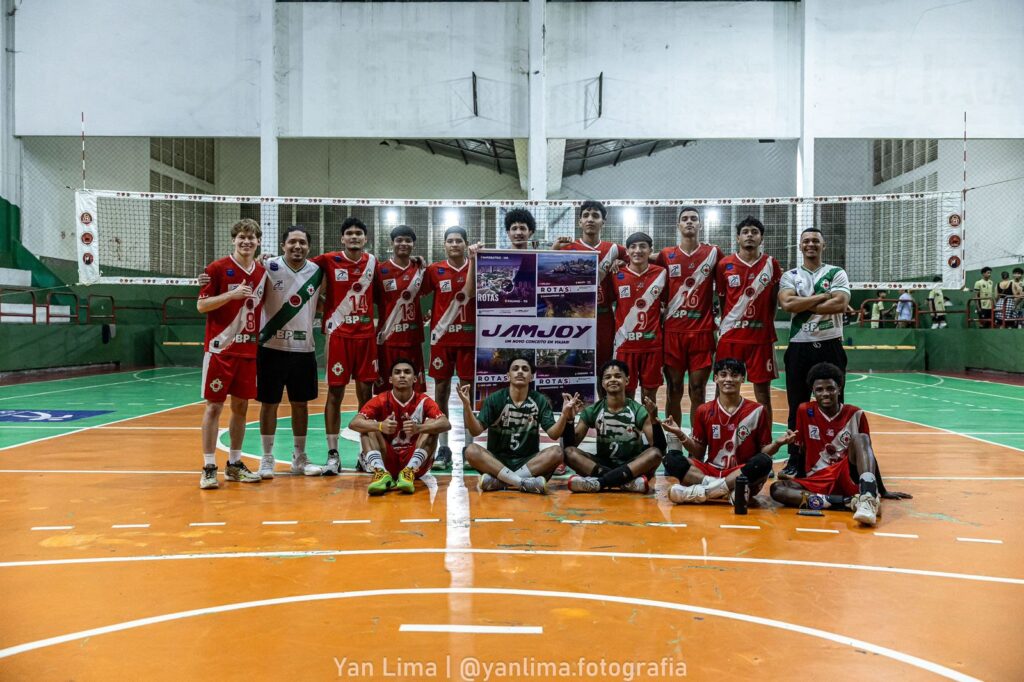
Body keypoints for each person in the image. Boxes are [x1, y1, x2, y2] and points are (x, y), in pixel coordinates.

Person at [769, 362, 912, 526]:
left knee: (861, 438)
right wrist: (800, 480)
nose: (825, 393)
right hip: (817, 479)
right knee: (777, 490)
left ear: (839, 388)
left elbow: (867, 453)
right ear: (813, 392)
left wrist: (881, 489)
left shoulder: (855, 414)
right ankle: (847, 502)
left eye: (830, 388)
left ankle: (868, 497)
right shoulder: (804, 410)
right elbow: (802, 450)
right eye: (819, 390)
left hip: (845, 474)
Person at [660, 358, 795, 505]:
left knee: (764, 462)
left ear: (742, 378)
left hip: (741, 471)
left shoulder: (757, 410)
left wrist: (778, 443)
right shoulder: (703, 410)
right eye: (723, 375)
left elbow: (764, 450)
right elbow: (698, 453)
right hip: (710, 470)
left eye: (734, 375)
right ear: (716, 378)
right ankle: (727, 491)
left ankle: (704, 492)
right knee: (671, 459)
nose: (728, 379)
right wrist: (680, 433)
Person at [196, 219, 268, 489]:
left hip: (248, 350)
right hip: (220, 349)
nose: (246, 241)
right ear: (234, 240)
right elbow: (202, 305)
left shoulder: (262, 272)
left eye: (251, 237)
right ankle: (209, 466)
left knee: (241, 407)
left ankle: (234, 464)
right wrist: (233, 295)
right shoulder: (216, 268)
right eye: (241, 237)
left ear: (258, 241)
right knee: (214, 406)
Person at [777, 226, 852, 479]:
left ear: (824, 245)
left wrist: (804, 304)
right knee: (796, 407)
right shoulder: (791, 275)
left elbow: (840, 304)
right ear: (800, 246)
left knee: (834, 404)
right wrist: (824, 297)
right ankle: (795, 459)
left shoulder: (836, 272)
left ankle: (837, 456)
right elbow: (787, 304)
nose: (811, 244)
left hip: (831, 343)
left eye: (815, 241)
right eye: (806, 241)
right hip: (799, 345)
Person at [254, 226, 325, 479]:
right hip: (270, 346)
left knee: (300, 404)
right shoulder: (268, 267)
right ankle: (267, 458)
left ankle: (299, 457)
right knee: (269, 404)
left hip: (303, 349)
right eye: (292, 242)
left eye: (302, 243)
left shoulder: (317, 271)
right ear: (283, 245)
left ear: (309, 247)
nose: (298, 247)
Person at [311, 217, 379, 475]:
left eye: (358, 233)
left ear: (365, 238)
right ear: (342, 238)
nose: (353, 237)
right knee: (335, 394)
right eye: (349, 233)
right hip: (338, 336)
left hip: (365, 338)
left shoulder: (373, 263)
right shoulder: (328, 260)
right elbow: (297, 270)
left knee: (366, 397)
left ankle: (365, 454)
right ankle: (333, 454)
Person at [458, 356, 575, 495]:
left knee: (557, 452)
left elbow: (554, 434)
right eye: (515, 369)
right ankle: (522, 483)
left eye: (525, 369)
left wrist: (564, 415)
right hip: (497, 463)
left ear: (531, 376)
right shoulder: (495, 399)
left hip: (529, 464)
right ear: (508, 375)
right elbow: (475, 431)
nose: (520, 372)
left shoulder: (539, 400)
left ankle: (502, 482)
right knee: (471, 450)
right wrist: (466, 406)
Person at [655, 206, 722, 436]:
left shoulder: (713, 253)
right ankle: (674, 444)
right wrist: (619, 263)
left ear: (700, 225)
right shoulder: (666, 255)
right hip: (673, 332)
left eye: (694, 218)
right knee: (674, 389)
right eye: (685, 219)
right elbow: (642, 261)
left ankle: (698, 442)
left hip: (702, 332)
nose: (690, 222)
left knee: (698, 390)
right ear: (678, 225)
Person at [348, 359, 451, 495]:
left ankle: (408, 471)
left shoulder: (424, 401)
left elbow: (446, 424)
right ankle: (382, 473)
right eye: (397, 373)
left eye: (407, 372)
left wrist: (418, 428)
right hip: (388, 459)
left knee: (432, 425)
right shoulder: (381, 399)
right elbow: (354, 423)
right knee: (367, 427)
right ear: (390, 379)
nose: (402, 375)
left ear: (415, 378)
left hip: (416, 463)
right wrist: (380, 425)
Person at [715, 217, 781, 425]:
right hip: (731, 337)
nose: (750, 235)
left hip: (760, 339)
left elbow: (774, 300)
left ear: (761, 238)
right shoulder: (725, 265)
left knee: (763, 393)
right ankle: (719, 432)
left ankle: (765, 441)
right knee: (722, 388)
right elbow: (722, 299)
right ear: (737, 237)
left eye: (754, 232)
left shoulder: (771, 264)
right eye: (745, 232)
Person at [562, 359, 664, 493]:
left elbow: (660, 448)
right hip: (604, 464)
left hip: (632, 465)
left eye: (618, 376)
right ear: (603, 383)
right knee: (569, 453)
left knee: (655, 453)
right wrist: (569, 419)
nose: (613, 380)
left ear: (627, 381)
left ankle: (600, 482)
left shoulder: (638, 410)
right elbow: (571, 444)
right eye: (608, 377)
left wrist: (654, 420)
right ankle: (625, 483)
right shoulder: (593, 410)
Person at [422, 226, 476, 469]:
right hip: (442, 340)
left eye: (458, 241)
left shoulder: (477, 266)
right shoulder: (434, 270)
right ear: (444, 245)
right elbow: (415, 290)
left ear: (466, 244)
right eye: (450, 241)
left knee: (468, 395)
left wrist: (476, 260)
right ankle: (443, 448)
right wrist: (416, 265)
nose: (454, 244)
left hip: (469, 339)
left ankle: (469, 446)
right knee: (441, 391)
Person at [551, 201, 626, 369]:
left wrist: (622, 262)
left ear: (603, 222)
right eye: (585, 216)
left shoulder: (615, 249)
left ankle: (603, 396)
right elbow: (548, 276)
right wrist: (553, 250)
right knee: (575, 366)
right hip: (575, 317)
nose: (590, 219)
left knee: (604, 368)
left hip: (604, 317)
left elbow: (638, 262)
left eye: (595, 216)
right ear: (580, 222)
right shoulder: (567, 248)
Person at [611, 232, 667, 404]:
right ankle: (628, 431)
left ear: (651, 250)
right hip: (624, 345)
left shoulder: (662, 273)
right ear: (626, 252)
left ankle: (649, 431)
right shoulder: (616, 275)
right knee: (625, 395)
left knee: (649, 398)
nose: (638, 250)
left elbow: (667, 304)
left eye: (643, 246)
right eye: (633, 247)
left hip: (652, 346)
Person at [374, 225, 427, 395]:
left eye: (408, 240)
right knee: (386, 391)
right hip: (387, 339)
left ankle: (412, 422)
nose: (403, 243)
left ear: (413, 244)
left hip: (412, 339)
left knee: (414, 391)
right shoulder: (380, 270)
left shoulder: (420, 269)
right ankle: (385, 422)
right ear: (392, 243)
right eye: (399, 240)